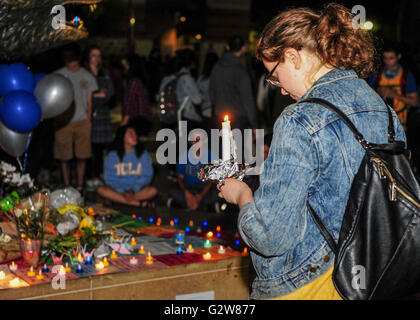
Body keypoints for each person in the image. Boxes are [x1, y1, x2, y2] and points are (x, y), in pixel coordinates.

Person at [217, 3, 405, 300]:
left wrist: (241, 196)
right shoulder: (383, 109)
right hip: (373, 274)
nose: (278, 88)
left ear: (292, 56)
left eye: (274, 75)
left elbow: (270, 237)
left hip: (310, 282)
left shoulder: (299, 119)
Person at [54, 43, 98, 193]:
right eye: (67, 57)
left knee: (82, 155)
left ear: (78, 57)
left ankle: (80, 185)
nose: (70, 61)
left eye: (72, 57)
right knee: (64, 156)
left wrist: (89, 119)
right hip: (63, 121)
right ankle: (66, 186)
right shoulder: (58, 74)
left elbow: (90, 100)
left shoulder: (86, 75)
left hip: (82, 121)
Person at [97, 125, 158, 207]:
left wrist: (133, 190)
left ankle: (118, 200)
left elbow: (147, 176)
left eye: (135, 134)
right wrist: (122, 191)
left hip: (137, 191)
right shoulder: (112, 156)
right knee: (101, 190)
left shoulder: (143, 154)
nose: (135, 136)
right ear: (122, 137)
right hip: (118, 191)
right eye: (131, 134)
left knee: (153, 191)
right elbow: (109, 178)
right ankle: (138, 203)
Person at [209, 35, 258, 131]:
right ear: (243, 48)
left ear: (227, 47)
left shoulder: (216, 67)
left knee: (220, 145)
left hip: (219, 115)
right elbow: (247, 99)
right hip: (238, 118)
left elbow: (211, 92)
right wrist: (254, 124)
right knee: (237, 145)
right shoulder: (241, 71)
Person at [84, 45, 115, 189]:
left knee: (100, 149)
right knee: (88, 148)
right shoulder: (84, 73)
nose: (96, 59)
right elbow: (84, 95)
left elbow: (109, 94)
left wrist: (95, 96)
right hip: (88, 115)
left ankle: (97, 175)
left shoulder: (104, 73)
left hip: (102, 116)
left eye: (98, 56)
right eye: (93, 55)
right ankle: (88, 176)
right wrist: (97, 95)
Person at [167, 130, 219, 212]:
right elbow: (180, 178)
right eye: (193, 140)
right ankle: (201, 206)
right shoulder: (183, 156)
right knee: (172, 191)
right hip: (189, 189)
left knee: (217, 193)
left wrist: (200, 195)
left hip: (205, 189)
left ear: (204, 141)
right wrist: (187, 193)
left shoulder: (211, 156)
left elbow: (212, 180)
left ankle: (190, 205)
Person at [369, 45, 418, 131]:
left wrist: (394, 95)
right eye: (385, 58)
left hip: (400, 125)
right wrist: (378, 92)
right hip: (379, 123)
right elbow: (368, 99)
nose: (387, 61)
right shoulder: (376, 75)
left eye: (391, 58)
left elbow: (415, 102)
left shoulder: (406, 76)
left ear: (398, 57)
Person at [121, 54, 153, 134]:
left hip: (135, 119)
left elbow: (130, 102)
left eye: (126, 64)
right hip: (144, 118)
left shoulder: (134, 82)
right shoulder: (142, 80)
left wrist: (125, 120)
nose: (125, 67)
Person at [174, 49, 203, 128]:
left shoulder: (178, 75)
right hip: (188, 115)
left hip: (180, 114)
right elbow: (197, 100)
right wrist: (200, 94)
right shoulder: (187, 78)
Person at [197, 52, 219, 122]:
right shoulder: (219, 79)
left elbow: (198, 96)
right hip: (218, 110)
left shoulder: (201, 79)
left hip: (205, 110)